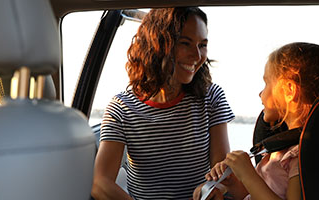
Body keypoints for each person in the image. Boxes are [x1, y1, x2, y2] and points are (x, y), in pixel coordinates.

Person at [91, 7, 235, 200]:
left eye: (202, 45)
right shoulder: (122, 108)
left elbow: (222, 173)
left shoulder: (212, 97)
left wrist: (212, 187)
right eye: (185, 43)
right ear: (158, 45)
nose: (197, 55)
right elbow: (100, 183)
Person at [193, 42, 319, 200]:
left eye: (266, 83)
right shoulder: (281, 148)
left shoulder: (300, 155)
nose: (261, 93)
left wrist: (247, 174)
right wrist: (233, 184)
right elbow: (261, 193)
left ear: (289, 90)